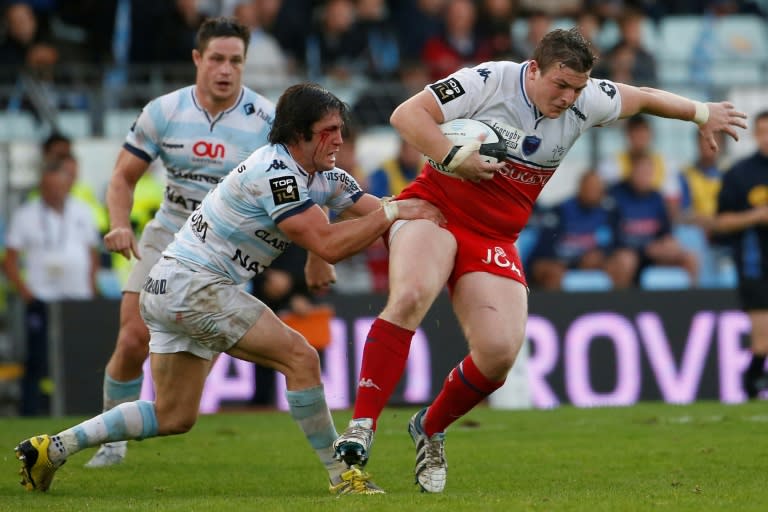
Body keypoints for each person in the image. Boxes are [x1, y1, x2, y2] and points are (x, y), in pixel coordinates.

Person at [332, 27, 747, 493]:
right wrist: (452, 156)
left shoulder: (587, 99)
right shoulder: (489, 79)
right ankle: (361, 426)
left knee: (499, 354)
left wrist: (703, 112)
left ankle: (429, 427)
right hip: (435, 209)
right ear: (534, 70)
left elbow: (644, 97)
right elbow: (406, 115)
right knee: (410, 295)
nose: (569, 98)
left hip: (495, 235)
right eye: (561, 85)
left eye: (578, 88)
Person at [13, 82, 445, 495]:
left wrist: (428, 223)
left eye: (340, 130)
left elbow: (385, 217)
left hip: (168, 286)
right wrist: (392, 213)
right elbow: (336, 240)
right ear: (298, 135)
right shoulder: (275, 171)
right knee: (301, 358)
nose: (338, 140)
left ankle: (51, 449)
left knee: (173, 414)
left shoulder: (327, 175)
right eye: (327, 131)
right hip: (195, 285)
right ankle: (342, 475)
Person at [85, 16, 276, 468]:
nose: (226, 70)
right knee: (132, 339)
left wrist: (312, 259)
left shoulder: (267, 121)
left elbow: (292, 192)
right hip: (168, 235)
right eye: (216, 59)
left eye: (235, 61)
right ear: (197, 59)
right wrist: (119, 223)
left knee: (182, 389)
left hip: (225, 252)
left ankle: (151, 418)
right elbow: (122, 177)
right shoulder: (164, 111)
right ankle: (112, 446)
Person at [2, 155, 100, 416]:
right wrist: (26, 293)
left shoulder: (82, 210)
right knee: (37, 358)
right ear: (41, 188)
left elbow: (92, 255)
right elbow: (9, 259)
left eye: (59, 187)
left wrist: (91, 289)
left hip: (77, 297)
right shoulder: (26, 214)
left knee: (79, 357)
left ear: (67, 185)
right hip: (41, 297)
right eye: (49, 188)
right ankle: (31, 410)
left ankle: (83, 409)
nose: (54, 193)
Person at [713, 110, 768, 399]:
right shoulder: (740, 174)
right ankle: (750, 386)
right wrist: (755, 217)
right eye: (763, 131)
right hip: (755, 266)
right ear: (756, 134)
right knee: (763, 340)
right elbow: (720, 223)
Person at [609, 153, 699, 286]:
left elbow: (665, 232)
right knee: (626, 260)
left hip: (653, 253)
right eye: (641, 171)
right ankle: (619, 304)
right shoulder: (615, 194)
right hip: (626, 252)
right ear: (632, 170)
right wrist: (644, 248)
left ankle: (691, 303)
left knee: (690, 258)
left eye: (648, 172)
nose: (645, 176)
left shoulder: (657, 197)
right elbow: (612, 236)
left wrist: (668, 243)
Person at [527, 169, 625, 290]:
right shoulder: (561, 210)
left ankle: (614, 306)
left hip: (591, 263)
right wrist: (572, 260)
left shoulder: (609, 213)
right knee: (553, 272)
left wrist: (602, 254)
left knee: (620, 265)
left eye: (596, 188)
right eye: (589, 187)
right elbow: (545, 246)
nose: (592, 191)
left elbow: (616, 242)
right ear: (580, 187)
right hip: (559, 261)